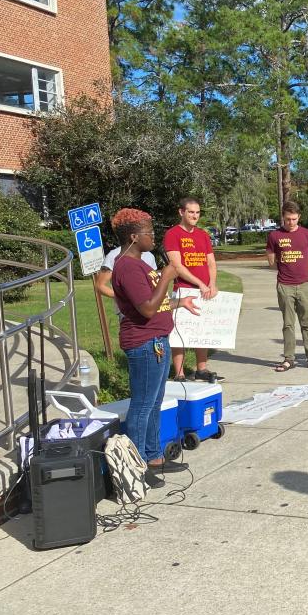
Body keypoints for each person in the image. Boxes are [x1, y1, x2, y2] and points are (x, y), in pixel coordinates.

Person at [110, 208, 199, 488]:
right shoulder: (126, 267)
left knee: (155, 402)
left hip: (156, 342)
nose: (153, 238)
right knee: (142, 406)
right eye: (149, 233)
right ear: (134, 237)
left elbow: (156, 301)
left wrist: (177, 303)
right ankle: (136, 467)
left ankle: (154, 456)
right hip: (144, 344)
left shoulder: (141, 264)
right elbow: (147, 309)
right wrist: (167, 276)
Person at [163, 197, 222, 382]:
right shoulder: (173, 234)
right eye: (191, 212)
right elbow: (177, 266)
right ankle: (179, 372)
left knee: (201, 331)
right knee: (180, 332)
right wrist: (200, 283)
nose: (194, 216)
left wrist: (212, 282)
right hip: (184, 289)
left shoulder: (203, 235)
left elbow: (210, 261)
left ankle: (201, 369)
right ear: (181, 212)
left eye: (197, 212)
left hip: (204, 291)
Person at [266, 200, 308, 372]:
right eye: (287, 219)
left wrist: (303, 274)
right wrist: (285, 268)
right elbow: (271, 260)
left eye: (293, 219)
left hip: (304, 285)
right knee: (288, 323)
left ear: (298, 217)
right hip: (284, 285)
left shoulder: (307, 234)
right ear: (283, 218)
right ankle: (288, 359)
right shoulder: (274, 236)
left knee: (306, 323)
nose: (291, 222)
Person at [96, 246, 156, 314]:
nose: (152, 236)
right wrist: (123, 296)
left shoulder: (150, 256)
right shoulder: (113, 255)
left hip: (150, 308)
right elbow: (100, 286)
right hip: (127, 313)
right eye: (147, 234)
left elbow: (154, 282)